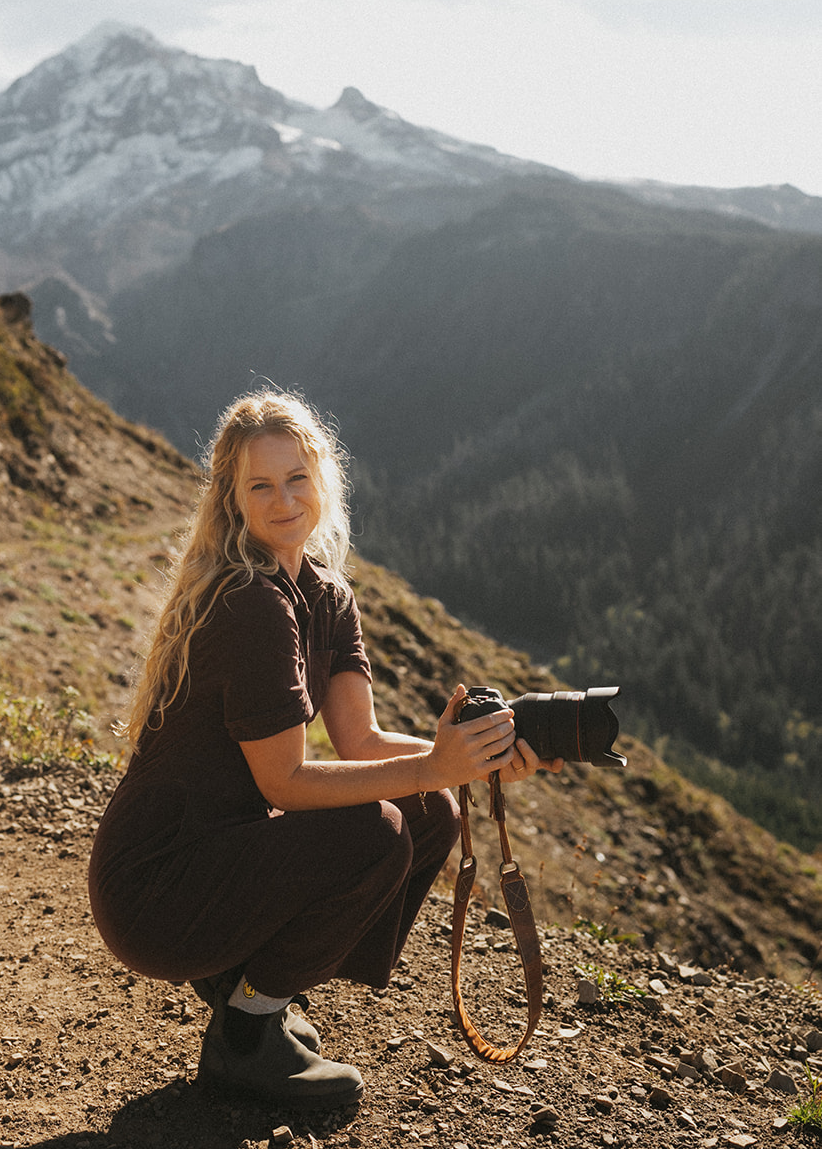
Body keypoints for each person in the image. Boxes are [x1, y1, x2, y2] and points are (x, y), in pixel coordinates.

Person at [88, 392, 561, 1106]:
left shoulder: (324, 595)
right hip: (155, 889)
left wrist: (483, 755)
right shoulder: (250, 602)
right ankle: (245, 1035)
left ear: (323, 478)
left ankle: (254, 989)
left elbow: (361, 742)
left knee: (430, 809)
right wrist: (437, 763)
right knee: (378, 829)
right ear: (232, 500)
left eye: (296, 478)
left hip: (215, 859)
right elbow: (283, 782)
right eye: (260, 485)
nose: (282, 499)